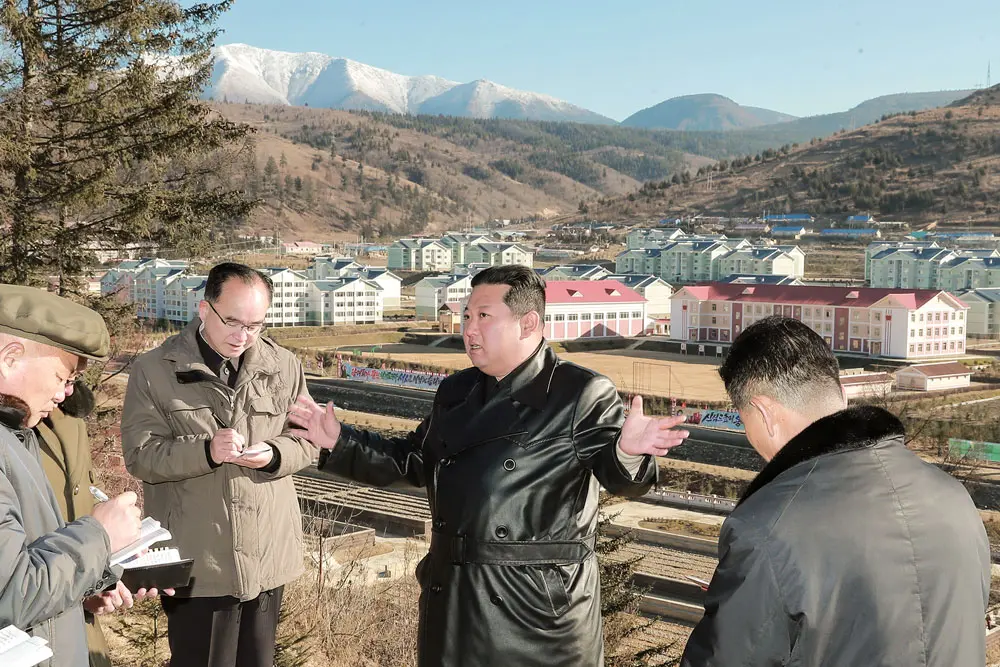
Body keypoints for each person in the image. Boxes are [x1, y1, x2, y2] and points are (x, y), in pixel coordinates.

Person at [288, 264, 690, 667]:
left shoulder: (579, 393)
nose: (469, 329)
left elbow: (620, 480)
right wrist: (339, 441)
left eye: (483, 316)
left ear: (528, 323)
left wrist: (629, 452)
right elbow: (414, 460)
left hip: (537, 615)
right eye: (467, 316)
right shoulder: (456, 390)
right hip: (454, 602)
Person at [680, 316, 991, 667]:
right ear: (842, 394)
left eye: (743, 418)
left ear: (764, 413)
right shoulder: (953, 496)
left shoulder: (767, 527)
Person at [121, 262, 316, 667]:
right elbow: (141, 455)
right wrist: (207, 452)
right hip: (199, 565)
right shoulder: (154, 371)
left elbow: (308, 440)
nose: (243, 336)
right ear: (204, 308)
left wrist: (275, 454)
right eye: (233, 321)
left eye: (255, 325)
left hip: (267, 556)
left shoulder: (284, 366)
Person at [0, 284, 143, 667]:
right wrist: (101, 535)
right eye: (63, 377)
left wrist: (93, 576)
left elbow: (32, 558)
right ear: (10, 359)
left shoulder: (17, 435)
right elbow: (11, 594)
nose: (65, 394)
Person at [37, 380, 173, 667]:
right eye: (62, 375)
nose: (66, 391)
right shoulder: (15, 433)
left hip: (76, 631)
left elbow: (80, 514)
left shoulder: (67, 415)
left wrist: (105, 576)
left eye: (72, 378)